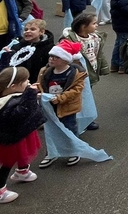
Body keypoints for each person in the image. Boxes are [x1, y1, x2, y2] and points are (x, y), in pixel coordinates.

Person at [0, 66, 45, 204]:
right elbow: (20, 114)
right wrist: (30, 95)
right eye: (25, 81)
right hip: (12, 136)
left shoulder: (1, 94)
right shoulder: (8, 103)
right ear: (13, 86)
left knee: (22, 152)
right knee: (8, 162)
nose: (28, 82)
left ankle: (22, 171)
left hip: (19, 132)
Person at [35, 41, 87, 169]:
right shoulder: (45, 71)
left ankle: (73, 151)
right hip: (50, 107)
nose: (51, 59)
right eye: (51, 56)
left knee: (69, 129)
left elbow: (76, 90)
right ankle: (52, 152)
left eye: (56, 57)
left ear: (65, 60)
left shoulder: (74, 74)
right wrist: (36, 90)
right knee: (50, 131)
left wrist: (61, 98)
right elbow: (40, 84)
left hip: (67, 108)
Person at [0, 19, 54, 83]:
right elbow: (8, 66)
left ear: (41, 32)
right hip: (17, 81)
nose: (27, 31)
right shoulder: (17, 46)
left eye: (32, 29)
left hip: (35, 82)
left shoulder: (49, 48)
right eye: (26, 29)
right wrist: (8, 54)